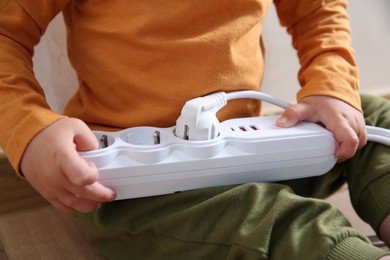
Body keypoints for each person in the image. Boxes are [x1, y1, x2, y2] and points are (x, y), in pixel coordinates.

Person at [0, 0, 389, 259]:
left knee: (370, 118)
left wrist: (331, 84)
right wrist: (29, 129)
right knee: (280, 224)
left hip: (252, 151)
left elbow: (318, 10)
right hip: (139, 190)